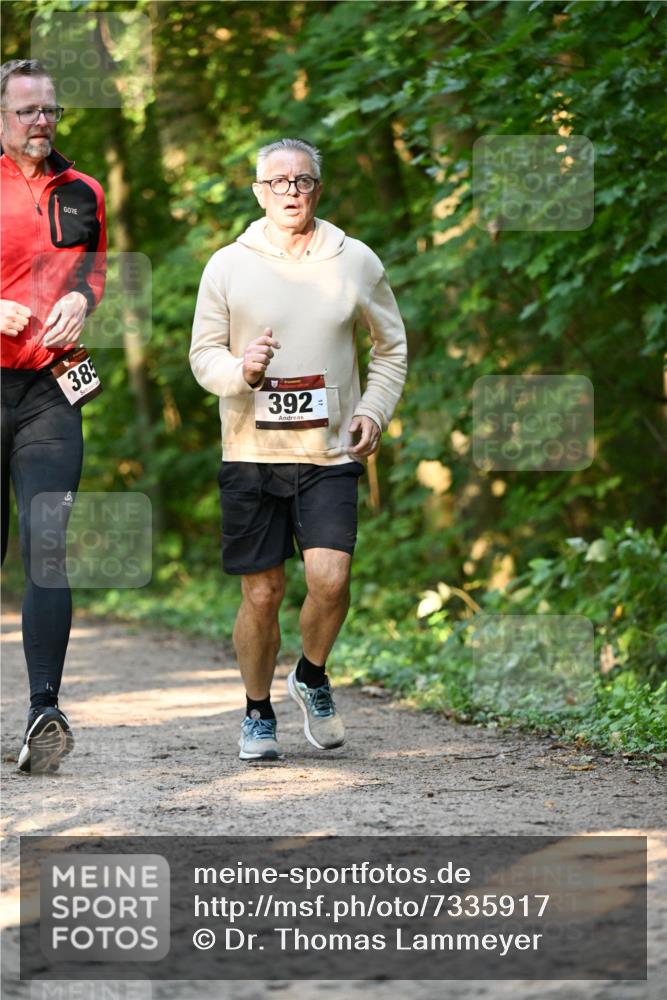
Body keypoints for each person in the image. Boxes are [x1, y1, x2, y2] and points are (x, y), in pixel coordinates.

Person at [190, 137, 407, 761]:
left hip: (330, 452)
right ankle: (257, 712)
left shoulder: (355, 260)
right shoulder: (227, 265)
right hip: (251, 451)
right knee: (262, 594)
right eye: (279, 182)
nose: (292, 191)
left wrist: (373, 410)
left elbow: (391, 347)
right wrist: (242, 371)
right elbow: (203, 356)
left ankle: (310, 674)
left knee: (331, 579)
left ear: (318, 188)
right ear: (259, 192)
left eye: (303, 180)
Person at [0, 59, 106, 773]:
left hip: (50, 390)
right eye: (27, 110)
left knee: (46, 546)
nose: (41, 122)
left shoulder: (83, 190)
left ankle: (45, 712)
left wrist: (82, 300)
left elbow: (95, 270)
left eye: (50, 110)